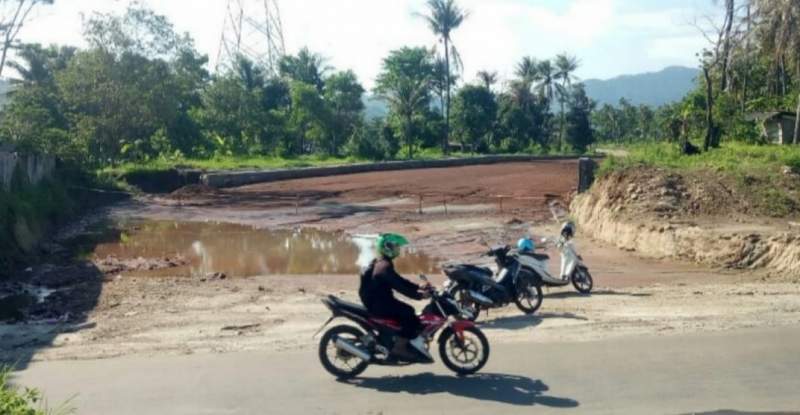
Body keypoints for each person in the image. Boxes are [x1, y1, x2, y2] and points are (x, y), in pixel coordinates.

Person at [358, 233, 431, 360]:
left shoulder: (382, 262)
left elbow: (399, 281)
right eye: (396, 246)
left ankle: (394, 337)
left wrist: (418, 286)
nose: (398, 249)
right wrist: (420, 296)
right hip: (380, 304)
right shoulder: (384, 267)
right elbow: (400, 287)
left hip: (379, 301)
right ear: (387, 247)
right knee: (409, 312)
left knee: (405, 311)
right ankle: (399, 348)